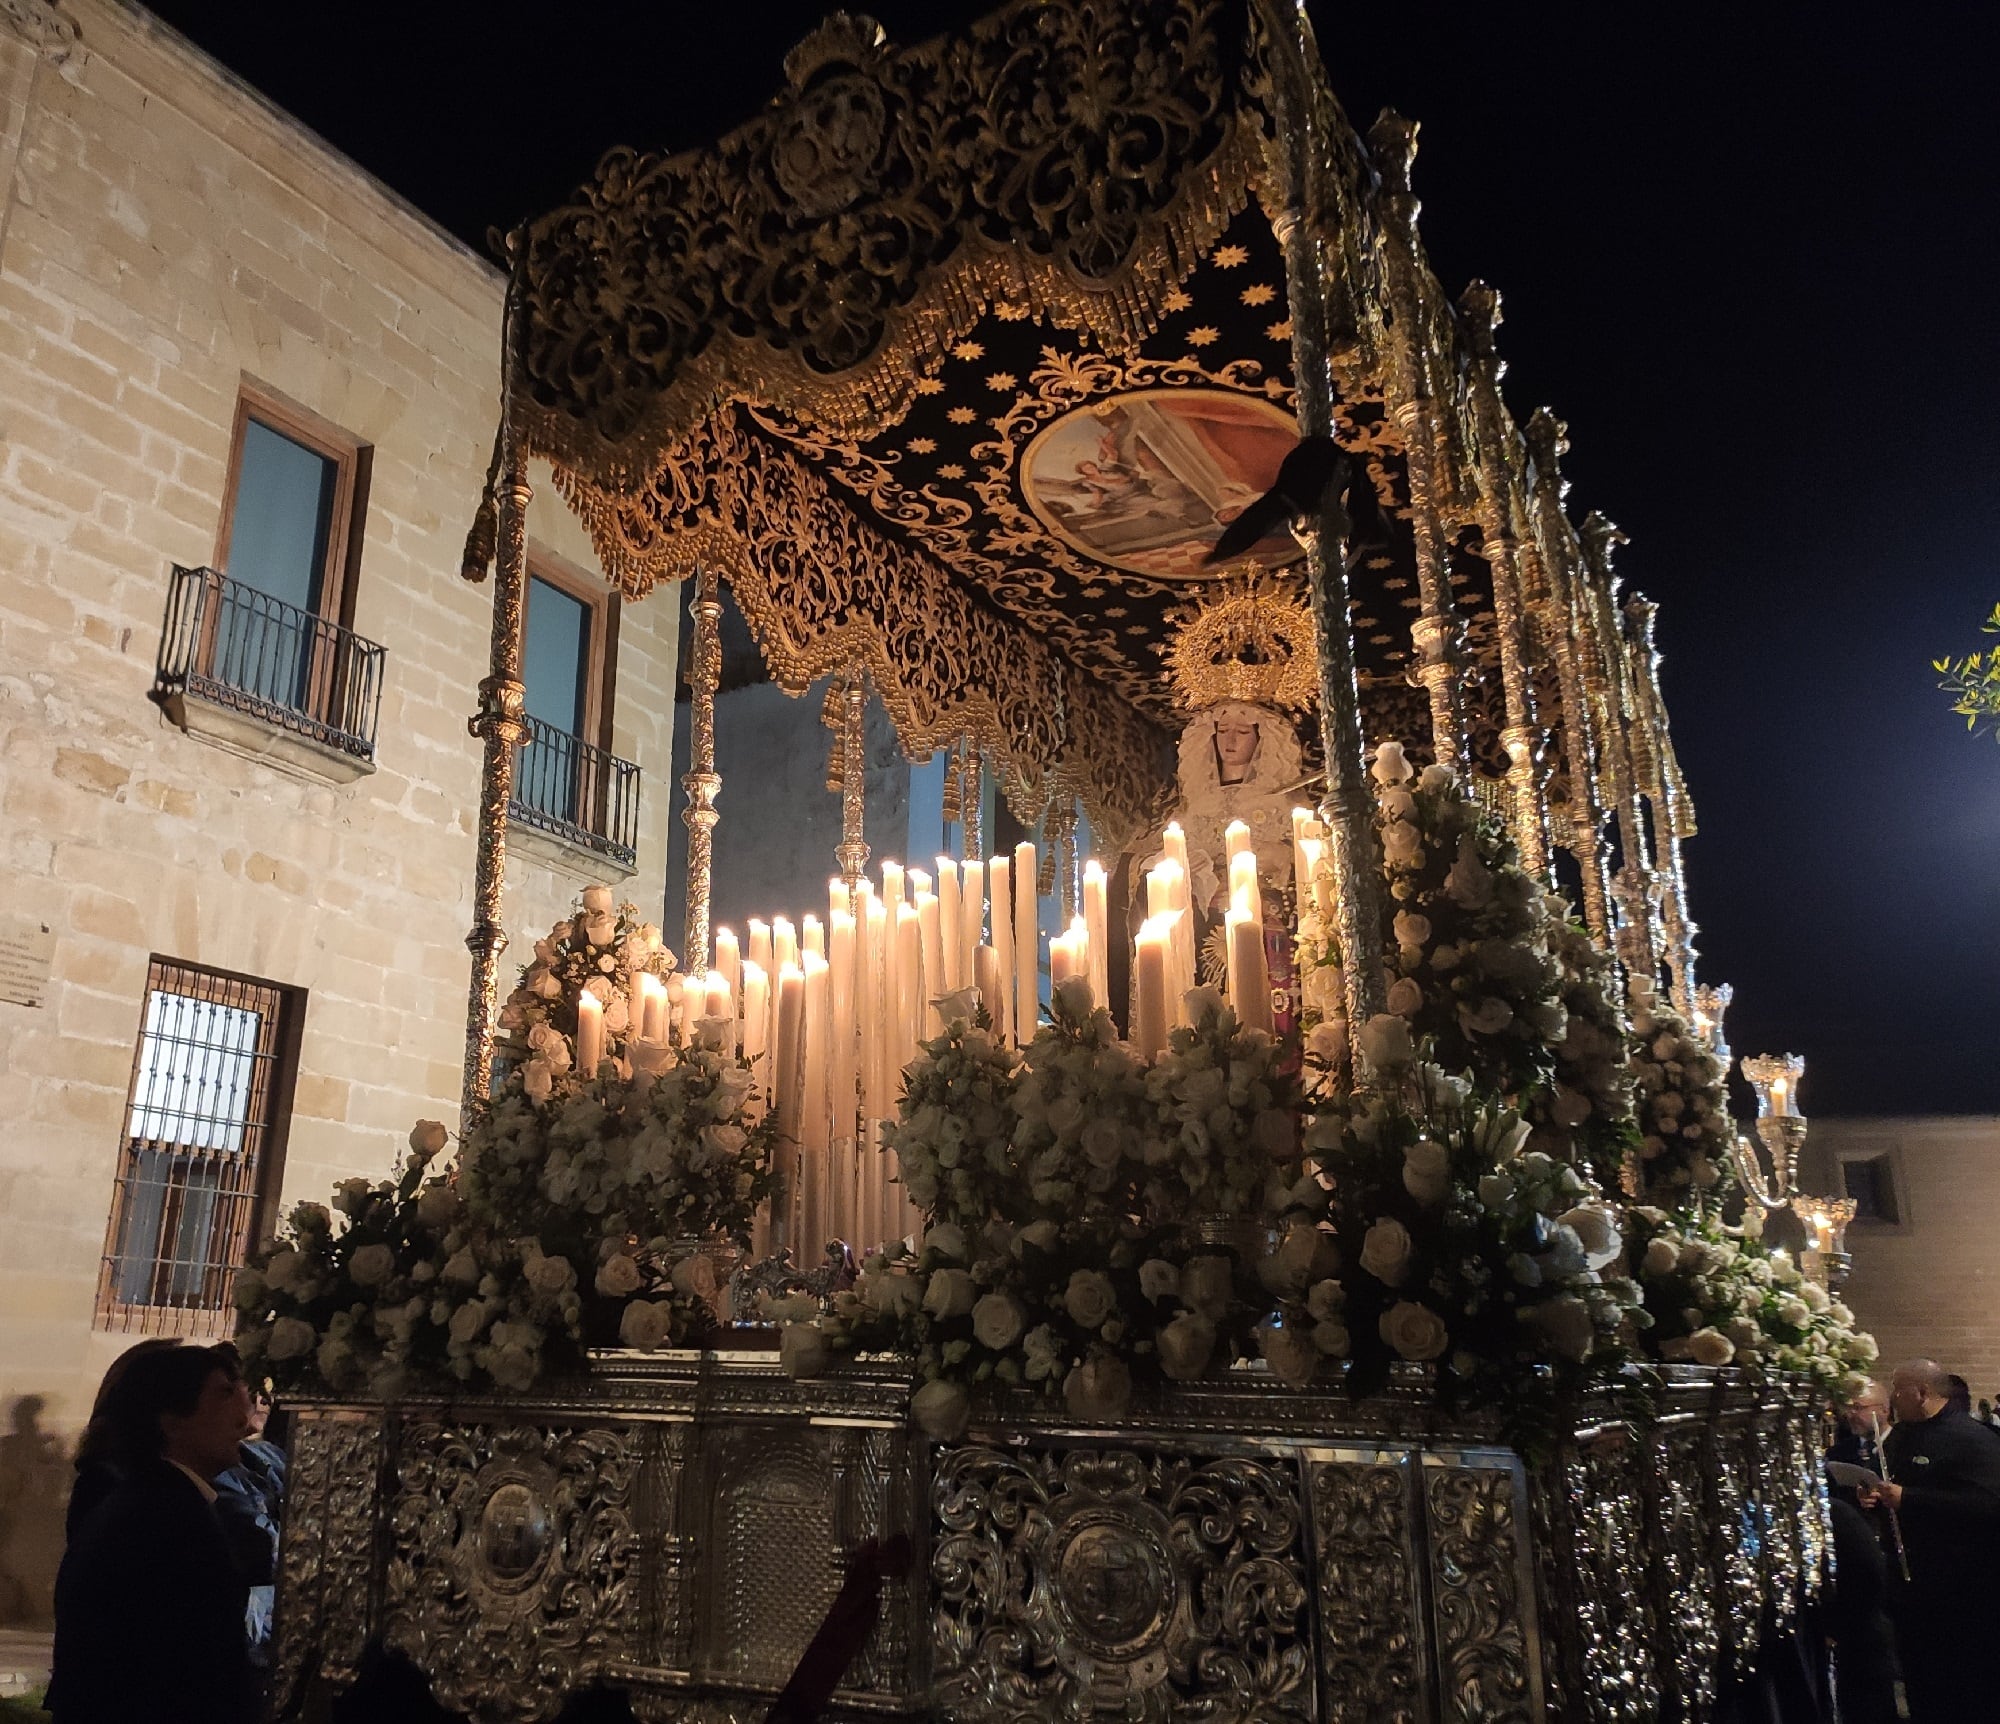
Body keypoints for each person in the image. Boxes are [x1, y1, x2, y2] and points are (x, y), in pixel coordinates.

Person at [51, 1342, 257, 1724]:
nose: (246, 1421)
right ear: (172, 1421)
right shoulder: (165, 1519)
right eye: (224, 1394)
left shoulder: (163, 1503)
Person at [1862, 1358, 2000, 1719]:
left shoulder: (1972, 1440)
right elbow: (1891, 1491)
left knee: (1964, 1689)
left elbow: (1988, 1505)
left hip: (1962, 1591)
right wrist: (1875, 1499)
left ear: (1922, 1393)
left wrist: (1908, 1498)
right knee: (1921, 1684)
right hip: (1912, 1589)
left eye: (1897, 1389)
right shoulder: (1902, 1437)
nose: (1892, 1397)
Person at [213, 1388, 286, 1665]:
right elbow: (264, 1550)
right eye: (226, 1393)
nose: (259, 1402)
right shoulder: (214, 1474)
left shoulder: (266, 1454)